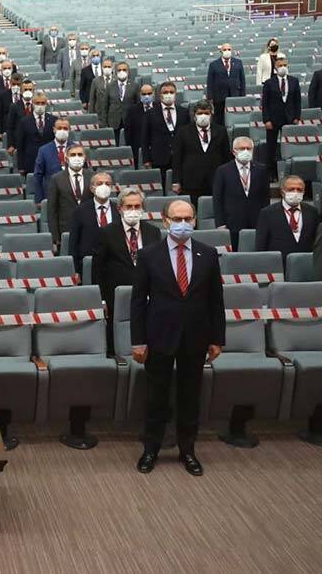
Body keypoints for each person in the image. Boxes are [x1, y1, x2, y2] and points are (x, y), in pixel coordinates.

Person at [130, 199, 223, 476]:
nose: (183, 224)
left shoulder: (208, 254)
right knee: (156, 396)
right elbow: (138, 302)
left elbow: (216, 300)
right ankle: (151, 449)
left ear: (195, 220)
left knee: (190, 397)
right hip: (159, 335)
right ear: (166, 221)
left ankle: (188, 450)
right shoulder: (149, 255)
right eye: (177, 219)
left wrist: (217, 338)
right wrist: (138, 341)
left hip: (195, 336)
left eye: (188, 218)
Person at [94, 187, 160, 319]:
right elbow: (98, 269)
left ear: (143, 208)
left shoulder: (153, 231)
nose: (133, 210)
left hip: (147, 295)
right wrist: (102, 300)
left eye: (137, 206)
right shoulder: (106, 233)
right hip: (116, 296)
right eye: (129, 206)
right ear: (119, 209)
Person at [211, 136, 270, 247]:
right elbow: (217, 199)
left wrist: (266, 220)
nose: (246, 151)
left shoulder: (261, 169)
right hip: (232, 222)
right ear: (234, 152)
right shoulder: (223, 170)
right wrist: (220, 223)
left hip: (256, 221)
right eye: (242, 148)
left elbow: (265, 197)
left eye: (249, 148)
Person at [171, 101, 230, 206]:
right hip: (190, 181)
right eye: (200, 113)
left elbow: (226, 157)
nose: (203, 116)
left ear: (211, 115)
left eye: (206, 113)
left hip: (215, 180)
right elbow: (177, 158)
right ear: (194, 115)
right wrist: (176, 181)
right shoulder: (183, 132)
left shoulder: (221, 131)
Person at [254, 175, 318, 263]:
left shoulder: (312, 212)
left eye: (299, 190)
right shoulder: (267, 213)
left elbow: (316, 241)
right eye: (291, 189)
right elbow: (261, 245)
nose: (295, 192)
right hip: (278, 264)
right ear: (282, 192)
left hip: (305, 263)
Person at [67, 172, 119, 274]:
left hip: (115, 264)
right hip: (88, 265)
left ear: (112, 188)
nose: (104, 186)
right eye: (99, 183)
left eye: (107, 184)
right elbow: (74, 243)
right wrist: (75, 270)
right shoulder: (80, 211)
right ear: (92, 188)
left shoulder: (119, 209)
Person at [45, 144, 90, 253]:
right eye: (73, 155)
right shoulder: (56, 179)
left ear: (85, 157)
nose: (76, 157)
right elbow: (52, 210)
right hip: (65, 230)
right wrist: (55, 237)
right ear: (66, 158)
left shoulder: (93, 176)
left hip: (88, 230)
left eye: (80, 154)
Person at [260, 57, 301, 176]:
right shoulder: (269, 83)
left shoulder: (294, 81)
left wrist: (297, 117)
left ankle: (289, 173)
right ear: (275, 68)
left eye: (284, 65)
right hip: (273, 120)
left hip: (290, 118)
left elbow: (297, 101)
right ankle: (271, 174)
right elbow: (265, 103)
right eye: (280, 65)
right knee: (271, 148)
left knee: (289, 146)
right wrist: (266, 120)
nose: (283, 67)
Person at [143, 81, 189, 185]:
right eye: (165, 92)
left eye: (171, 92)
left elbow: (188, 135)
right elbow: (145, 138)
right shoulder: (150, 113)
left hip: (180, 158)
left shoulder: (184, 112)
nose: (168, 94)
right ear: (160, 95)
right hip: (159, 158)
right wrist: (146, 159)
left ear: (175, 94)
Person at [14, 92, 57, 176]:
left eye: (42, 103)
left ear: (46, 104)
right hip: (31, 162)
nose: (40, 105)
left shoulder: (54, 120)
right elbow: (20, 144)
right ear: (32, 104)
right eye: (37, 103)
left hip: (49, 160)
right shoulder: (24, 121)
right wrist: (21, 166)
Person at [205, 42, 246, 127]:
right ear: (221, 51)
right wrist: (210, 98)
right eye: (225, 49)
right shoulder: (213, 64)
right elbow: (210, 82)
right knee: (219, 120)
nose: (227, 51)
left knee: (234, 119)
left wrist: (242, 96)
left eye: (229, 49)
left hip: (235, 95)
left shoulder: (238, 62)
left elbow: (242, 80)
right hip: (219, 97)